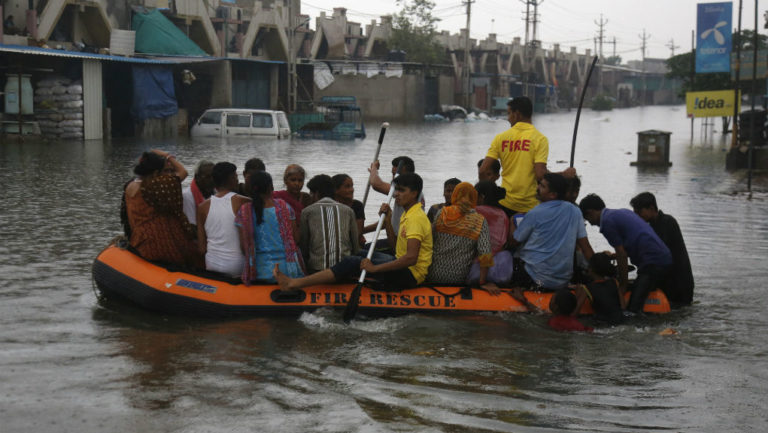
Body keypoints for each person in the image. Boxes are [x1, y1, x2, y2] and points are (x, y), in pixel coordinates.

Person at [275, 172, 433, 292]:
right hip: (402, 266)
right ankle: (331, 274)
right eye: (396, 190)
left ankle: (294, 283)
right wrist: (388, 219)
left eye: (401, 190)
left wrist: (374, 269)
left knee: (352, 261)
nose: (396, 194)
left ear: (414, 193)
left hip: (411, 275)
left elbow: (411, 258)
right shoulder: (408, 213)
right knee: (360, 254)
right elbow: (394, 245)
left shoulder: (416, 218)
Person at [478, 96, 576, 216]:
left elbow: (483, 170)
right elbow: (540, 174)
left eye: (509, 114)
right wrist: (563, 175)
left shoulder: (500, 138)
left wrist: (488, 195)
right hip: (531, 208)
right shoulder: (540, 139)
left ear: (517, 114)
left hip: (505, 204)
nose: (508, 118)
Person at [579, 193, 673, 314]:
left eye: (588, 219)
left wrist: (622, 285)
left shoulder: (606, 222)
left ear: (590, 212)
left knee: (633, 309)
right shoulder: (620, 213)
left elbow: (622, 254)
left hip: (653, 263)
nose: (591, 224)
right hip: (661, 257)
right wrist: (614, 256)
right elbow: (634, 242)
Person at [509, 173, 594, 290]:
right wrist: (599, 274)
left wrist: (511, 221)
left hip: (536, 279)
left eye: (542, 187)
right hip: (563, 281)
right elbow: (586, 247)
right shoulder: (575, 211)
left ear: (553, 195)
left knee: (514, 256)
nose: (537, 188)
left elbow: (514, 241)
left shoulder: (535, 213)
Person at [121, 150, 200, 267]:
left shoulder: (129, 185)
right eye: (163, 171)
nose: (166, 175)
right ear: (156, 173)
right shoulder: (153, 185)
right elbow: (183, 172)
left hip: (138, 241)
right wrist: (167, 156)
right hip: (157, 243)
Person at [236, 171, 304, 284]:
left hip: (260, 272)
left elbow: (244, 248)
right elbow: (296, 239)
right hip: (288, 271)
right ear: (271, 187)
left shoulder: (244, 211)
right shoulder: (284, 207)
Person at [630, 192, 694, 307]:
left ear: (651, 208)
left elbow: (657, 254)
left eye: (639, 212)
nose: (637, 217)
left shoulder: (667, 222)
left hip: (678, 284)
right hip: (668, 281)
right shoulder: (652, 226)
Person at [427, 182, 493, 285]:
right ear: (474, 198)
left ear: (455, 195)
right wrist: (482, 283)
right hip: (458, 278)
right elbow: (485, 253)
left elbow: (429, 239)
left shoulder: (442, 213)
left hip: (432, 273)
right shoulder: (479, 221)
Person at [196, 162, 251, 277]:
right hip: (237, 265)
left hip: (211, 264)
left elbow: (201, 248)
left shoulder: (202, 207)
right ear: (231, 179)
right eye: (236, 177)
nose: (237, 180)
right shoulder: (244, 201)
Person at [301, 174, 359, 273]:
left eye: (311, 193)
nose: (310, 196)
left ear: (316, 193)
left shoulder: (307, 212)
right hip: (345, 268)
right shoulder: (348, 210)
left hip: (317, 270)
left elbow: (304, 245)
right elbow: (355, 245)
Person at [467, 181, 514, 285]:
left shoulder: (474, 211)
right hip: (501, 270)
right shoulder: (503, 214)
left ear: (481, 197)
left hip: (476, 269)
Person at [367, 156, 423, 236]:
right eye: (393, 174)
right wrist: (363, 230)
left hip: (401, 241)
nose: (394, 179)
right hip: (395, 238)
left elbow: (376, 184)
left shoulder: (407, 191)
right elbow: (390, 221)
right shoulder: (403, 198)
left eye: (397, 175)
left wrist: (374, 169)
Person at [572, 253, 624, 325]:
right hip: (620, 321)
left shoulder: (587, 288)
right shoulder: (615, 282)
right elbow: (623, 306)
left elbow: (574, 314)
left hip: (602, 324)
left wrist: (577, 294)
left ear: (591, 269)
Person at [331, 173, 366, 247]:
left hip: (353, 247)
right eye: (347, 187)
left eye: (352, 186)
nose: (352, 190)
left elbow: (358, 232)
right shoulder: (330, 206)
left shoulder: (357, 205)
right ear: (335, 190)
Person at [182, 160, 215, 225]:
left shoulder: (217, 192)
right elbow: (192, 224)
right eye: (207, 177)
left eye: (214, 176)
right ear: (197, 177)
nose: (212, 180)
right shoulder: (187, 195)